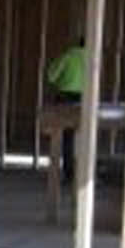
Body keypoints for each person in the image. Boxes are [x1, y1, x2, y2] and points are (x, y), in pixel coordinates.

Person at [46, 35, 86, 184]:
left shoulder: (68, 56)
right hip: (87, 99)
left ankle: (69, 174)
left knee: (66, 137)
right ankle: (84, 174)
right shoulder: (94, 58)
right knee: (85, 136)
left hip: (66, 98)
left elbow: (51, 76)